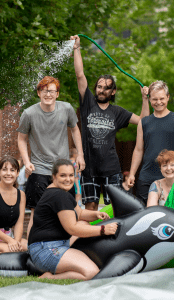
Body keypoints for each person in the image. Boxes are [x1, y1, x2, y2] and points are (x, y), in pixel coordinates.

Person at [70, 35, 150, 211]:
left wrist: (145, 99)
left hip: (111, 168)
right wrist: (77, 48)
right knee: (90, 206)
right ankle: (90, 237)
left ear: (112, 92)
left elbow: (144, 121)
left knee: (114, 207)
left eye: (106, 88)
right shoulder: (87, 103)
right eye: (99, 86)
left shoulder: (118, 112)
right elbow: (79, 74)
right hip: (89, 167)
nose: (101, 90)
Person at [17, 76, 85, 238]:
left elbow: (75, 130)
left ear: (57, 94)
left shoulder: (67, 109)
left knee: (69, 210)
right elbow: (21, 138)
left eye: (52, 91)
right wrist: (26, 162)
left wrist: (80, 155)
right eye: (44, 90)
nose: (48, 94)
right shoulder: (29, 113)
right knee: (37, 211)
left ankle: (68, 244)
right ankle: (31, 245)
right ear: (39, 93)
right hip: (39, 169)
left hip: (63, 170)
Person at [28, 159, 118, 280]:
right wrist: (102, 229)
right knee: (91, 272)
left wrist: (96, 214)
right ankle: (48, 278)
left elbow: (80, 214)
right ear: (54, 176)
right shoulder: (59, 195)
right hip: (47, 250)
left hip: (46, 246)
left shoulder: (59, 192)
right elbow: (72, 228)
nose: (68, 179)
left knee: (84, 222)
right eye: (63, 175)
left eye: (71, 175)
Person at [127, 81, 174, 205]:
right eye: (155, 99)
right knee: (145, 217)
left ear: (168, 97)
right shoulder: (143, 122)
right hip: (146, 178)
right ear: (150, 99)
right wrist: (132, 174)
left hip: (171, 177)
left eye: (162, 98)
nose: (158, 102)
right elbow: (138, 150)